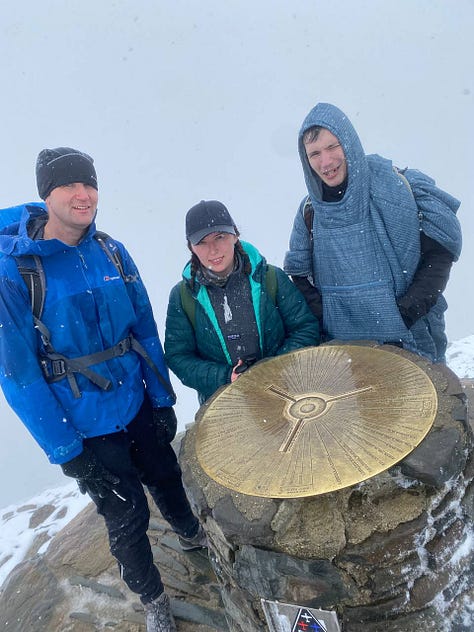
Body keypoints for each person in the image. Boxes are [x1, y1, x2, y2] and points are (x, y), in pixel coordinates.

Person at [0, 147, 206, 632]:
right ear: (45, 195)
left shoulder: (111, 251)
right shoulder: (16, 272)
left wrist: (162, 397)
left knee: (166, 472)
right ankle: (153, 599)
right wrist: (66, 451)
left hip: (134, 399)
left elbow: (144, 328)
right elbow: (19, 373)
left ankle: (191, 532)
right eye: (67, 185)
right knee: (126, 512)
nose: (82, 194)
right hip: (84, 420)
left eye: (88, 183)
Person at [284, 102, 462, 363]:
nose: (326, 162)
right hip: (346, 356)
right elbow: (299, 274)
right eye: (314, 153)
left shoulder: (398, 187)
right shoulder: (310, 212)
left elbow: (440, 251)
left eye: (333, 146)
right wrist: (330, 318)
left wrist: (404, 314)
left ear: (349, 142)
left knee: (427, 404)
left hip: (411, 344)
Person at [164, 200, 320, 405]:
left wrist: (271, 369)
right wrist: (225, 377)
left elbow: (305, 328)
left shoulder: (270, 278)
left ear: (235, 236)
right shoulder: (183, 296)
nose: (213, 250)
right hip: (225, 406)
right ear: (191, 247)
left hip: (287, 396)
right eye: (201, 242)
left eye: (220, 237)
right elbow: (179, 357)